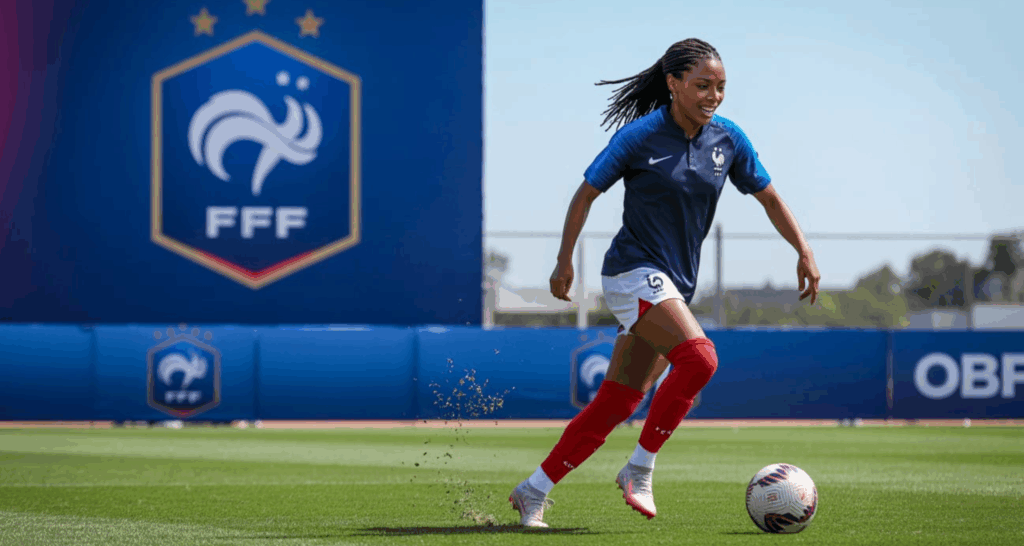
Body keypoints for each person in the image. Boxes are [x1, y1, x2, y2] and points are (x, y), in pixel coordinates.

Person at [509, 38, 821, 527]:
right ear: (674, 84)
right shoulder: (640, 137)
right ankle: (639, 468)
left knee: (618, 400)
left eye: (720, 87)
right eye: (702, 85)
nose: (713, 95)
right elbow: (584, 194)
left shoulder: (729, 140)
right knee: (700, 360)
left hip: (672, 285)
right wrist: (564, 261)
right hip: (631, 271)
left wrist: (802, 249)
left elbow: (770, 198)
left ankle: (534, 490)